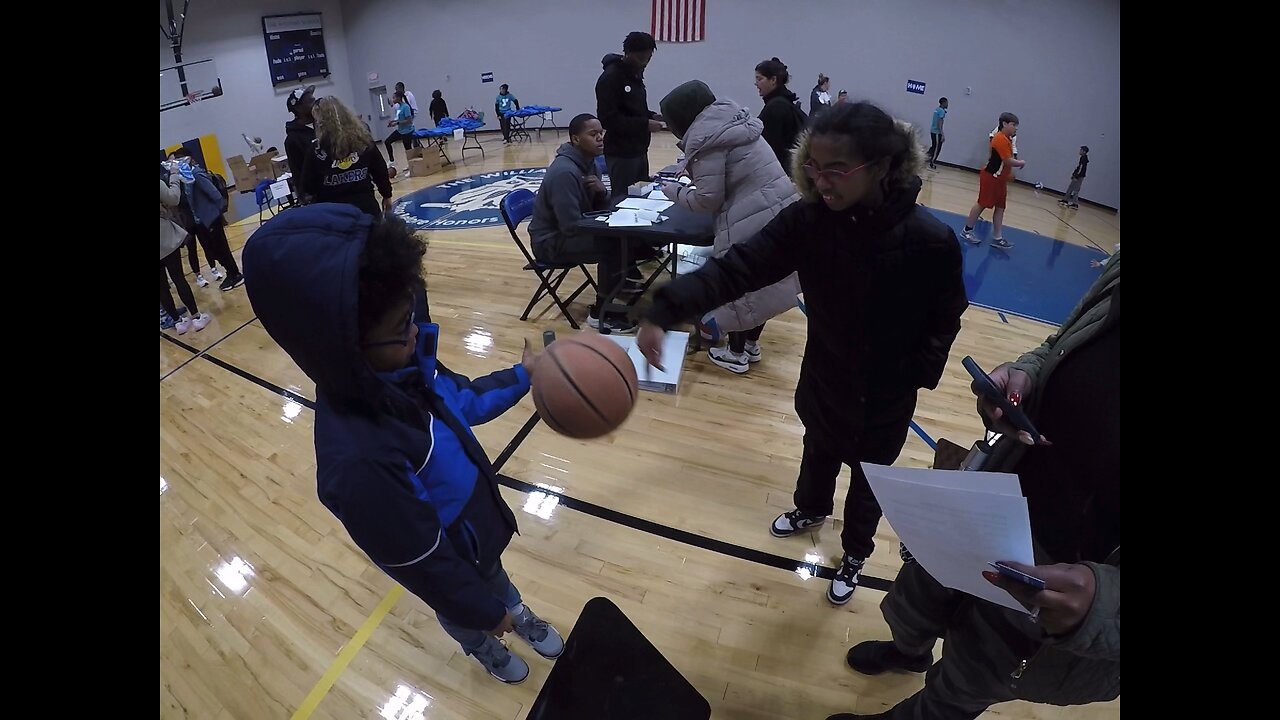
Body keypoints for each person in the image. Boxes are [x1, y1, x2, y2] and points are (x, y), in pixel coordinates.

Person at [637, 102, 968, 605]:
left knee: (868, 482)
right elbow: (738, 268)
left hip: (886, 391)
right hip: (826, 372)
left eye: (836, 170)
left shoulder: (931, 240)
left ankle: (855, 552)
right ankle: (809, 509)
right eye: (813, 167)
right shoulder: (810, 221)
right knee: (817, 452)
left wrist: (920, 372)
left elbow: (947, 315)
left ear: (881, 168)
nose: (821, 181)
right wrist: (666, 307)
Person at [244, 207, 565, 686]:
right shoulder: (357, 461)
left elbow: (467, 401)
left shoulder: (410, 369)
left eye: (412, 316)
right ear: (345, 348)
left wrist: (525, 375)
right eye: (401, 328)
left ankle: (516, 612)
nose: (416, 333)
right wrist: (475, 610)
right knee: (463, 609)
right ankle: (482, 644)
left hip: (479, 526)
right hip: (447, 559)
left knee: (496, 577)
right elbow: (418, 560)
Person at [828, 252, 1120, 720]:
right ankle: (909, 651)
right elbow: (1059, 344)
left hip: (1062, 571)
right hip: (997, 496)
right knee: (915, 601)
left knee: (964, 684)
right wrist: (1025, 373)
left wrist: (1103, 605)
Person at [657, 80, 800, 374]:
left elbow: (708, 199)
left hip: (750, 214)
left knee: (740, 286)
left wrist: (671, 191)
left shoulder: (708, 139)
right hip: (778, 207)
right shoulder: (733, 122)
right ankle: (750, 345)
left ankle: (736, 354)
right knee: (764, 280)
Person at [528, 114, 640, 333]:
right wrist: (608, 226)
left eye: (601, 133)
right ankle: (601, 313)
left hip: (569, 232)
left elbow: (594, 209)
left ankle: (621, 285)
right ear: (576, 139)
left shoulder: (589, 164)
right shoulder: (564, 172)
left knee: (625, 236)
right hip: (550, 243)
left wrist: (603, 193)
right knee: (613, 244)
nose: (600, 138)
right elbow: (571, 226)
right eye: (593, 134)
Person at [596, 31, 664, 197]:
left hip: (639, 149)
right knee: (623, 199)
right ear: (629, 53)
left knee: (642, 195)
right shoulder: (611, 78)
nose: (646, 63)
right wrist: (645, 124)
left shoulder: (635, 75)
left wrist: (651, 115)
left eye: (649, 58)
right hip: (621, 153)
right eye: (642, 58)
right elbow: (607, 119)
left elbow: (632, 109)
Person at [303, 96, 393, 217]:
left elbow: (308, 185)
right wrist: (387, 194)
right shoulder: (363, 140)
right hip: (365, 208)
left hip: (333, 213)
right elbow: (380, 171)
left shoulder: (316, 149)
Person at [963, 112, 1024, 250]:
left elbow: (1006, 162)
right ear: (1004, 124)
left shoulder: (1008, 139)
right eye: (1014, 125)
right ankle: (966, 231)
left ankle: (997, 238)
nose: (1016, 128)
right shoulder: (1000, 139)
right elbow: (1007, 160)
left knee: (1000, 207)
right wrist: (1020, 163)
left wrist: (1007, 174)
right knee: (982, 204)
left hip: (1000, 179)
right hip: (991, 177)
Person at [754, 57, 805, 168]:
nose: (756, 84)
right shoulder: (784, 103)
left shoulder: (776, 107)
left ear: (773, 80)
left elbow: (769, 146)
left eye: (760, 79)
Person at [284, 85, 317, 183]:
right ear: (298, 108)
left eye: (314, 100)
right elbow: (297, 172)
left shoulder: (324, 126)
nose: (315, 105)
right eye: (311, 102)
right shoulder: (293, 139)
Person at [925, 97, 948, 170]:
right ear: (943, 103)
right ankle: (932, 163)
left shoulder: (937, 109)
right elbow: (940, 123)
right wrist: (942, 134)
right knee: (937, 149)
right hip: (937, 132)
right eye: (947, 103)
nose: (948, 104)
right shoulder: (941, 111)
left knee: (933, 147)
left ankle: (924, 158)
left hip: (932, 131)